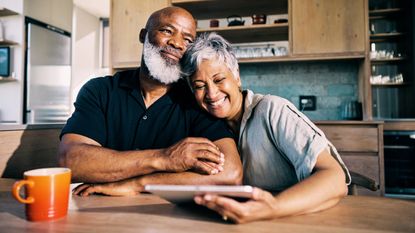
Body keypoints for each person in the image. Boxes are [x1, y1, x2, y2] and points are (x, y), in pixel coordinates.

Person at [58, 7, 242, 196]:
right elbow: (70, 161)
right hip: (96, 212)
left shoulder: (196, 101)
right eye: (167, 31)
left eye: (187, 40)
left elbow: (230, 173)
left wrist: (139, 183)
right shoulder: (100, 91)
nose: (177, 43)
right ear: (143, 35)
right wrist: (164, 158)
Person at [180, 32, 351, 223]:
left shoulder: (272, 110)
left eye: (219, 80)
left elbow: (336, 178)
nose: (211, 93)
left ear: (237, 77)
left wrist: (272, 208)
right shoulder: (205, 128)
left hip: (299, 220)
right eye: (199, 86)